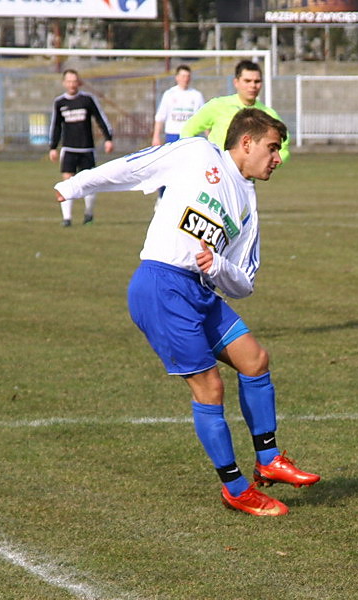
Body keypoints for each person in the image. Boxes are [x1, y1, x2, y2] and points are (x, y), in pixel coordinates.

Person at [53, 108, 319, 517]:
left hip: (201, 291)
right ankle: (235, 489)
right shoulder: (197, 154)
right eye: (272, 148)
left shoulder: (247, 201)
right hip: (161, 286)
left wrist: (219, 266)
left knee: (255, 360)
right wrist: (75, 185)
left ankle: (267, 459)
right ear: (246, 143)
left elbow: (245, 281)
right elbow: (135, 167)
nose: (277, 158)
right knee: (210, 388)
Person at [181, 59, 290, 163]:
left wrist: (266, 162)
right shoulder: (218, 105)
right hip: (215, 174)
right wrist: (196, 156)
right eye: (247, 81)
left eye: (257, 81)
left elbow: (283, 148)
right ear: (236, 82)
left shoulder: (268, 114)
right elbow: (188, 130)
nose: (252, 85)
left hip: (246, 179)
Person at [48, 69, 114, 227]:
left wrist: (108, 139)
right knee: (67, 182)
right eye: (69, 81)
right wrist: (53, 147)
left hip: (87, 149)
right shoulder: (60, 103)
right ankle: (67, 218)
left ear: (79, 82)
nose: (72, 84)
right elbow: (56, 125)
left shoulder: (87, 100)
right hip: (69, 149)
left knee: (89, 183)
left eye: (74, 81)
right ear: (64, 83)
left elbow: (100, 118)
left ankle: (89, 214)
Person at [152, 64, 205, 146]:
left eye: (188, 76)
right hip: (173, 134)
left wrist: (210, 137)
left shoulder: (196, 95)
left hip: (190, 135)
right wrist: (156, 136)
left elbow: (203, 117)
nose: (186, 79)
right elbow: (160, 116)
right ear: (177, 77)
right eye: (183, 76)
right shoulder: (169, 94)